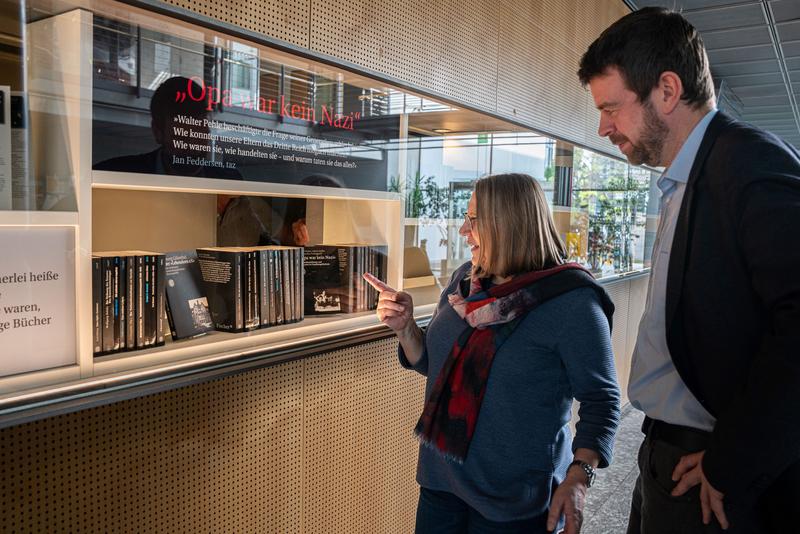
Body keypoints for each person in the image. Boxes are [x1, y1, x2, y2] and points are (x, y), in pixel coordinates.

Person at [578, 7, 800, 534]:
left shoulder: (746, 163)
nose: (603, 127)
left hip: (710, 465)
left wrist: (733, 458)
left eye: (612, 108)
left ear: (668, 90)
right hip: (665, 449)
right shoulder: (687, 176)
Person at [371, 173, 620, 533]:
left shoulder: (572, 302)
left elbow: (602, 400)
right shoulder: (465, 282)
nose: (463, 231)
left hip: (515, 498)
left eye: (473, 220)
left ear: (508, 223)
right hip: (441, 481)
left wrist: (579, 476)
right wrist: (406, 328)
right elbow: (436, 366)